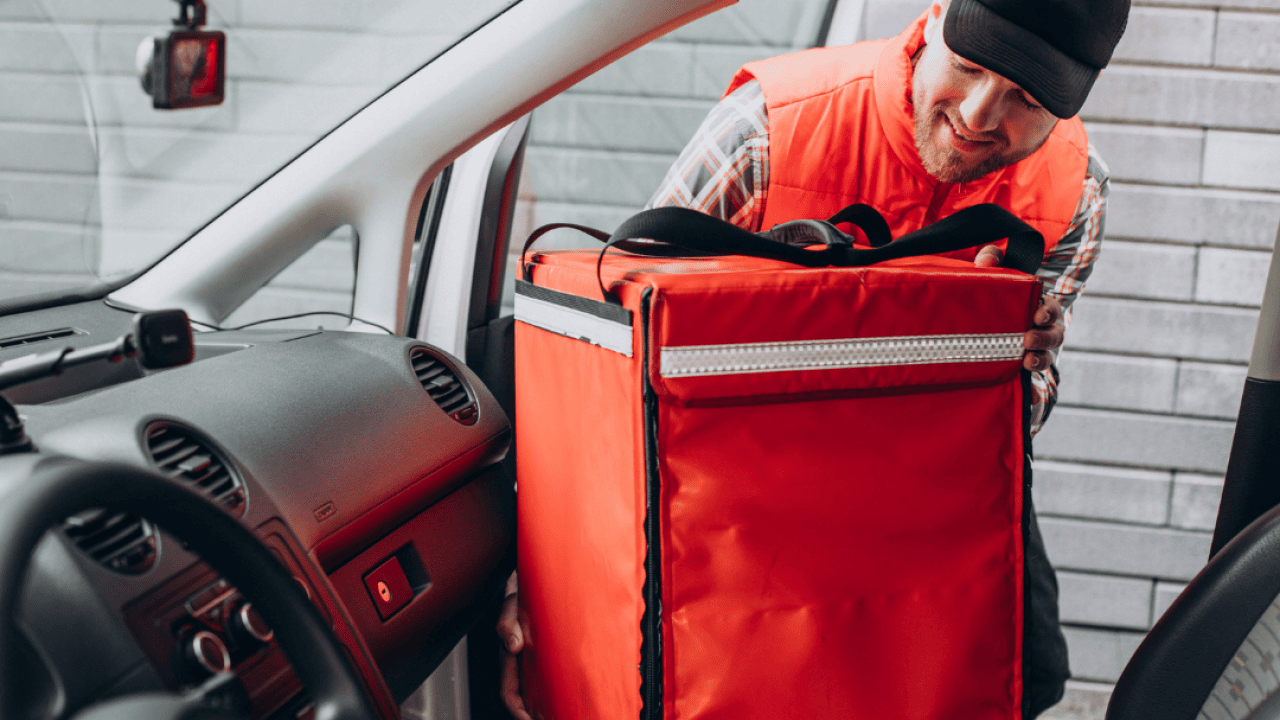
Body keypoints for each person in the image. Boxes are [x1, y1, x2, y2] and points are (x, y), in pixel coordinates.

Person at [499, 0, 1129, 716]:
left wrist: (1011, 366)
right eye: (971, 67)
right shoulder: (770, 128)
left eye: (1026, 97)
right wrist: (542, 589)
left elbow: (1028, 405)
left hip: (935, 487)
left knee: (1028, 676)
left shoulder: (1075, 189)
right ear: (939, 19)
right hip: (742, 488)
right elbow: (617, 370)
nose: (980, 116)